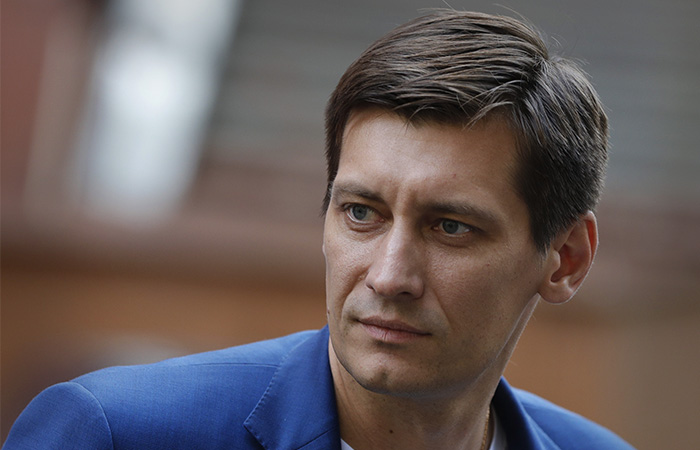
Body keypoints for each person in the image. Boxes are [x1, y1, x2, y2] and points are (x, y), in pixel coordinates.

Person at [4, 10, 635, 450]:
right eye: (362, 213)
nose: (388, 276)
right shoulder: (114, 434)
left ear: (566, 259)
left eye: (450, 227)